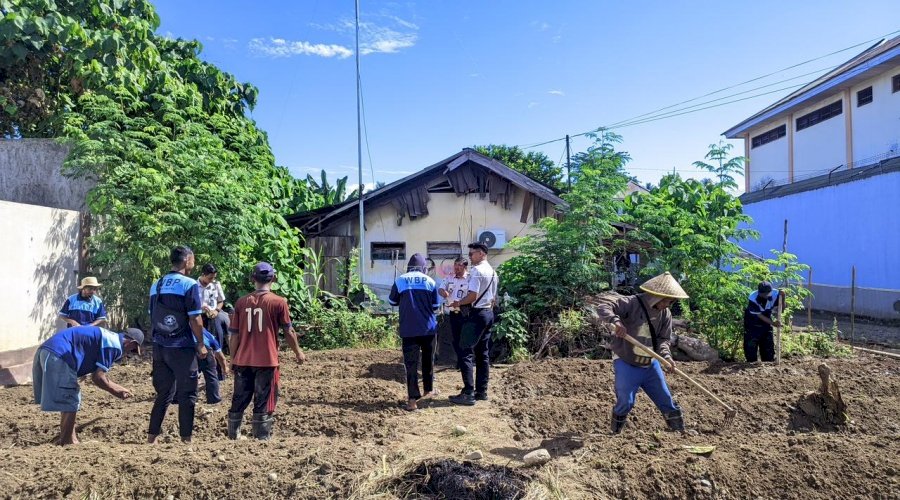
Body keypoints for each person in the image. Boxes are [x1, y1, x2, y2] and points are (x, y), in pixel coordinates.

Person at [593, 272, 688, 434]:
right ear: (656, 296)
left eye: (671, 301)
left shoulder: (665, 314)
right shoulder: (631, 303)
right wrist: (616, 322)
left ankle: (679, 432)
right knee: (626, 401)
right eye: (666, 300)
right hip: (627, 360)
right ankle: (615, 434)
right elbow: (603, 307)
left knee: (666, 400)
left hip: (650, 363)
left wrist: (666, 357)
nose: (668, 304)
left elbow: (663, 340)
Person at [227, 262, 306, 440]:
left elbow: (234, 335)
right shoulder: (279, 302)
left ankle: (233, 435)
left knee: (239, 397)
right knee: (264, 399)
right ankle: (261, 437)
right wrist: (298, 352)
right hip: (267, 360)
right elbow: (288, 331)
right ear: (274, 279)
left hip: (242, 359)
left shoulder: (241, 302)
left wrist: (232, 359)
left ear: (252, 279)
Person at [32, 325, 143, 445]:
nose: (128, 354)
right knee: (71, 398)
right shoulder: (114, 345)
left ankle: (68, 438)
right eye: (132, 350)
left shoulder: (109, 337)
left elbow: (87, 354)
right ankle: (68, 441)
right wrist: (117, 391)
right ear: (131, 342)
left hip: (45, 351)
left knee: (68, 398)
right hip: (58, 354)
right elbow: (98, 378)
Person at [147, 246, 208, 444]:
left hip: (160, 346)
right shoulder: (189, 284)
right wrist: (201, 343)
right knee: (187, 393)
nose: (194, 263)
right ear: (187, 260)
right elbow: (195, 318)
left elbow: (152, 315)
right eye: (193, 259)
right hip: (181, 347)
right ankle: (186, 439)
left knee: (164, 393)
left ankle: (152, 437)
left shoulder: (156, 284)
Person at [389, 253, 441, 411]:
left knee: (411, 365)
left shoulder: (400, 280)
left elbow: (392, 301)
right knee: (428, 360)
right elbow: (435, 306)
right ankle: (428, 390)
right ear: (424, 267)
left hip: (408, 329)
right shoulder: (430, 281)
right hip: (428, 329)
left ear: (409, 266)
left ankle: (412, 401)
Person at [448, 242, 498, 406]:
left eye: (472, 254)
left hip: (476, 314)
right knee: (482, 353)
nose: (470, 257)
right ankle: (481, 392)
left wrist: (458, 303)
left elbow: (472, 295)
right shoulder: (493, 272)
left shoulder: (476, 270)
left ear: (482, 254)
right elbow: (493, 298)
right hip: (488, 313)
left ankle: (468, 393)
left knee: (465, 351)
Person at [438, 257, 470, 370]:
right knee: (456, 339)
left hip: (466, 313)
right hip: (453, 313)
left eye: (459, 265)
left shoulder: (470, 278)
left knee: (465, 338)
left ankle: (465, 362)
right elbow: (440, 289)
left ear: (465, 266)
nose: (456, 267)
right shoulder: (449, 278)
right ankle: (460, 361)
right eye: (455, 264)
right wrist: (443, 292)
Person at [743, 281, 782, 362]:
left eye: (767, 293)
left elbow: (781, 306)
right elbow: (759, 315)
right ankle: (751, 363)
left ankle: (768, 363)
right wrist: (773, 323)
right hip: (752, 324)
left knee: (768, 351)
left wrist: (783, 297)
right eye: (763, 294)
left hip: (766, 323)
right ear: (759, 292)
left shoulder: (776, 294)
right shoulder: (753, 298)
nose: (765, 295)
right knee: (751, 351)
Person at [198, 264, 230, 352]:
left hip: (215, 313)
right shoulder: (194, 286)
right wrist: (201, 308)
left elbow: (220, 301)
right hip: (200, 314)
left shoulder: (216, 285)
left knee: (223, 323)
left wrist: (216, 310)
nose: (212, 280)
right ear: (203, 275)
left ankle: (225, 351)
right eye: (210, 278)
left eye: (214, 278)